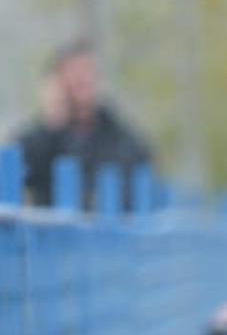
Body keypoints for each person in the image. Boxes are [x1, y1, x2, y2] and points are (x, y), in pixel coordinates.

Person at [13, 39, 152, 210]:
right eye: (73, 73)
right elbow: (15, 173)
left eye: (87, 71)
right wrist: (52, 123)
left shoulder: (121, 139)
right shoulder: (43, 139)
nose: (82, 80)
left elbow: (139, 184)